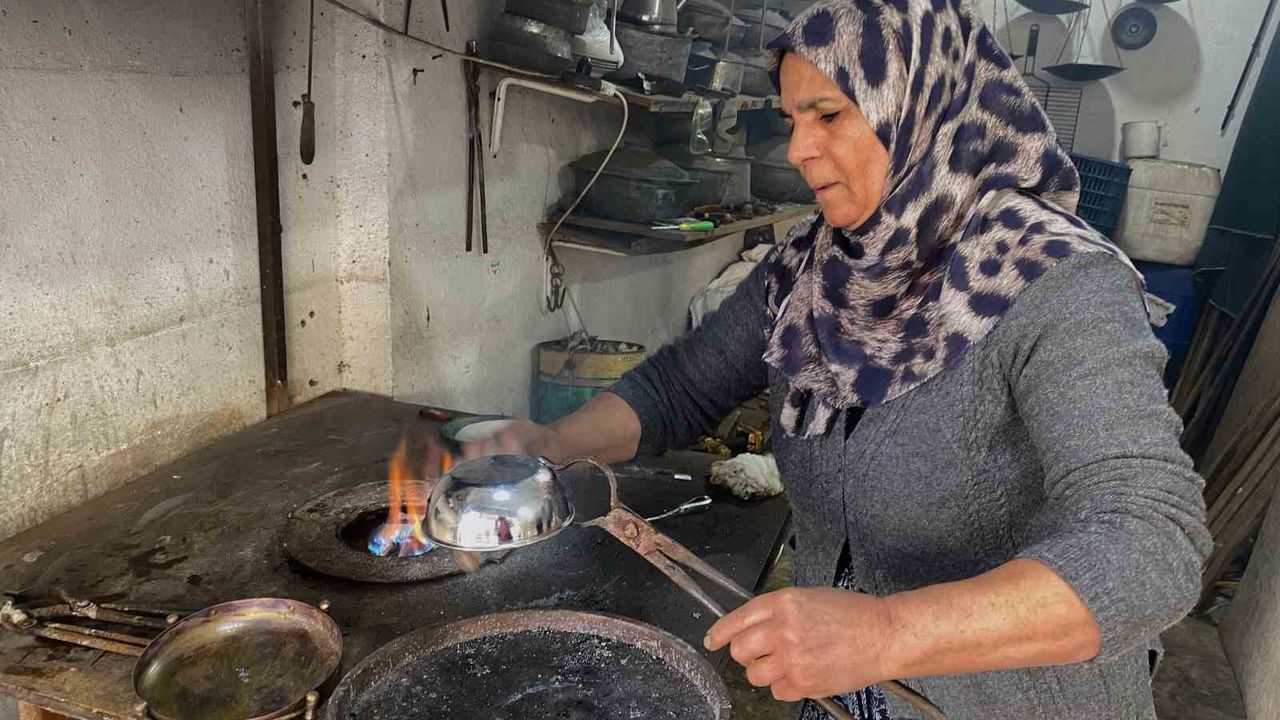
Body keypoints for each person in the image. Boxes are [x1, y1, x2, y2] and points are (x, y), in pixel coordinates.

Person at [473, 0, 1210, 716]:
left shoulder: (1055, 280)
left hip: (1016, 700)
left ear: (920, 108)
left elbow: (1151, 541)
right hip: (841, 689)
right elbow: (678, 388)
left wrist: (885, 633)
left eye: (827, 115)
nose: (798, 150)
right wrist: (553, 444)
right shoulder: (809, 269)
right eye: (792, 120)